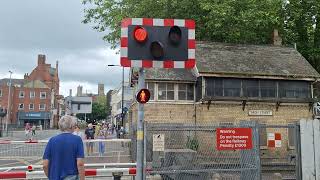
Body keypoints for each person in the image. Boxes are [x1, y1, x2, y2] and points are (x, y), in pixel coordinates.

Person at [42, 115, 85, 180]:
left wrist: (50, 176)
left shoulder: (52, 140)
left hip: (55, 176)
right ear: (71, 126)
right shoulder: (77, 140)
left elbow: (45, 165)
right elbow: (80, 163)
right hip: (71, 177)